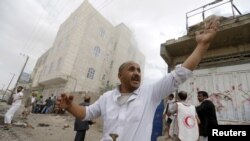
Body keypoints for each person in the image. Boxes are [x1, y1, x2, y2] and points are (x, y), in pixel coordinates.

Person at [56, 17, 220, 141]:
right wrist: (70, 106)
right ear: (119, 76)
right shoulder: (107, 97)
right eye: (131, 69)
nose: (137, 73)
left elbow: (180, 74)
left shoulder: (150, 93)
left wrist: (202, 45)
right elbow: (86, 113)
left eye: (139, 70)